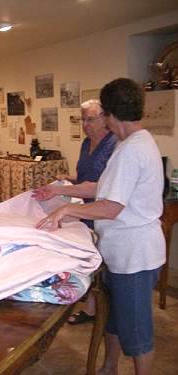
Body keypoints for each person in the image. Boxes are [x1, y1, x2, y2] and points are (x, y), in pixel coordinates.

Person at [34, 78, 165, 375]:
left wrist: (68, 210)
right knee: (115, 319)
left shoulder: (133, 150)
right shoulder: (131, 143)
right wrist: (60, 193)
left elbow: (110, 207)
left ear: (110, 114)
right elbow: (101, 188)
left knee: (137, 332)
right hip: (123, 253)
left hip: (135, 256)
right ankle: (108, 368)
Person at [57, 99, 117, 325]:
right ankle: (91, 309)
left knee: (101, 261)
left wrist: (62, 189)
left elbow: (101, 185)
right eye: (82, 120)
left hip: (103, 210)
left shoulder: (113, 145)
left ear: (104, 118)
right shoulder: (85, 143)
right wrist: (68, 179)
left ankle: (102, 309)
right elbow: (83, 176)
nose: (85, 124)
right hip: (83, 208)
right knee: (86, 257)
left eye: (90, 119)